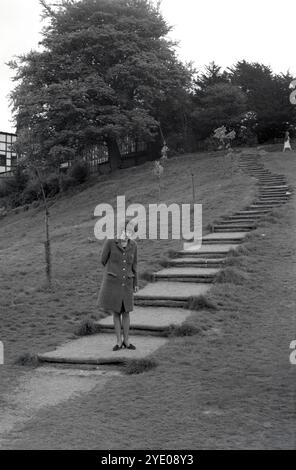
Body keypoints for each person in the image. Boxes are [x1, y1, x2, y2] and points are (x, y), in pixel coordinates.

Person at [97, 220, 139, 351]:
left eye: (131, 232)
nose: (127, 234)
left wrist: (136, 283)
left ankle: (127, 341)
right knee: (116, 312)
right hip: (113, 283)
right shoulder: (110, 242)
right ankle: (118, 341)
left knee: (126, 312)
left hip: (127, 283)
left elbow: (134, 265)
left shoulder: (134, 245)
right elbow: (103, 260)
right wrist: (113, 271)